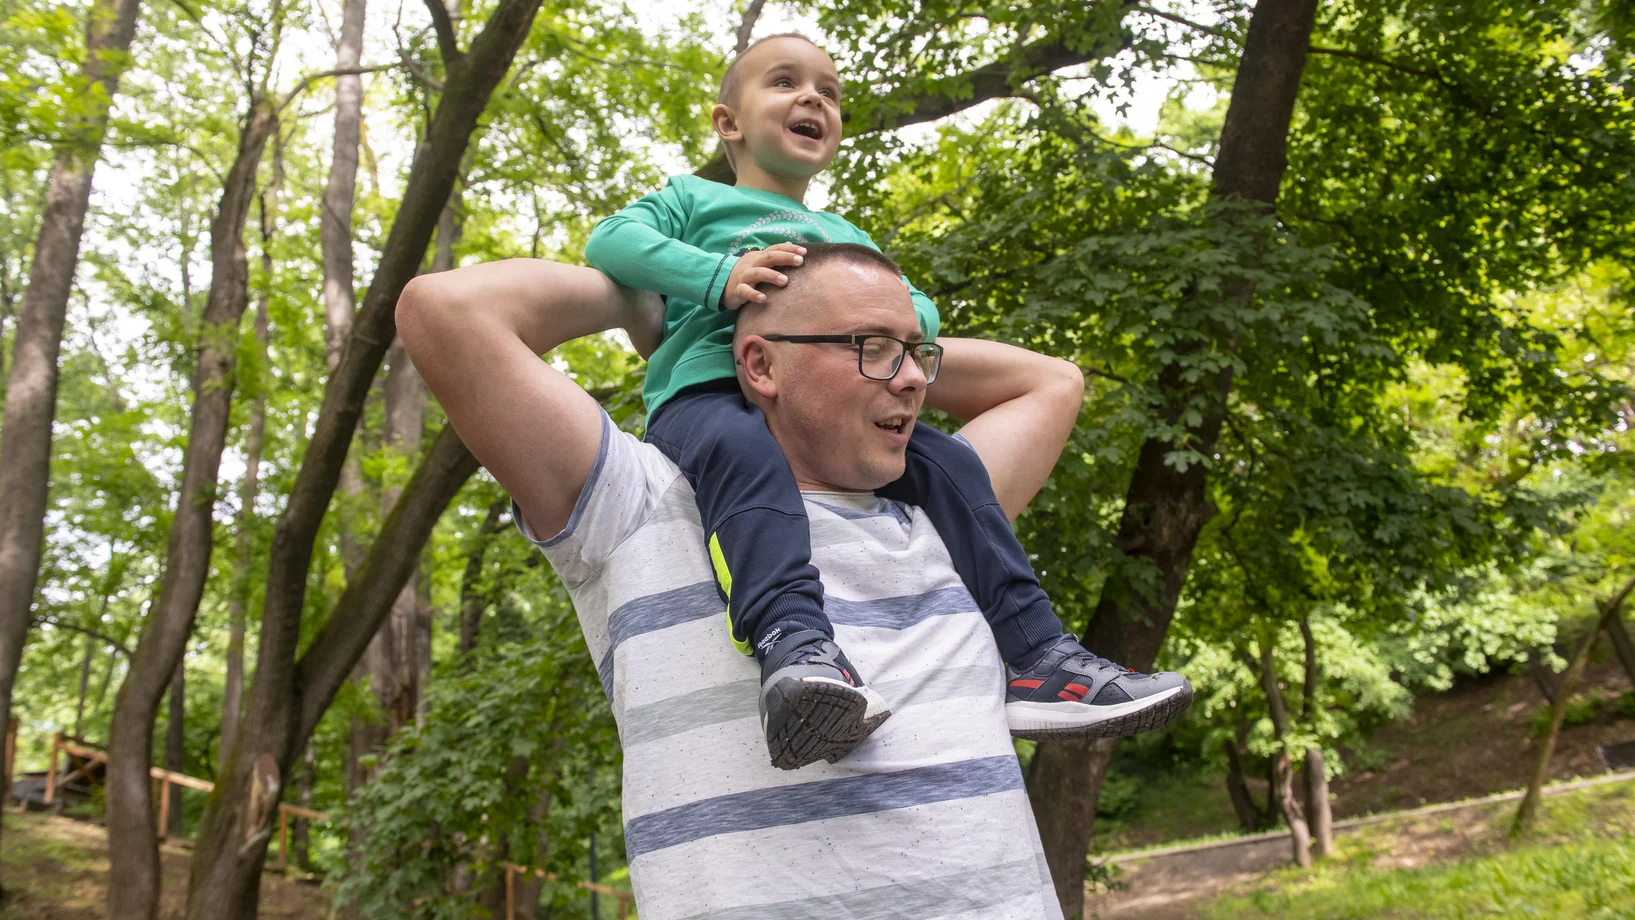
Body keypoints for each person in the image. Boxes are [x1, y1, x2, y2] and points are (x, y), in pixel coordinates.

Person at [400, 244, 1103, 917]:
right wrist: (666, 305)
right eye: (871, 345)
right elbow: (447, 311)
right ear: (759, 366)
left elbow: (1051, 381)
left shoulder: (944, 517)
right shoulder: (639, 506)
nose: (917, 379)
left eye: (918, 352)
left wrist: (876, 356)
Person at [566, 33, 1192, 769]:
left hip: (838, 408)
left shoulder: (844, 235)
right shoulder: (692, 199)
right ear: (727, 123)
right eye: (785, 83)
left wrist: (875, 326)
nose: (812, 99)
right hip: (711, 395)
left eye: (828, 93)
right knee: (746, 460)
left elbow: (916, 308)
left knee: (952, 468)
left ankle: (1036, 655)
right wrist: (715, 277)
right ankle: (795, 651)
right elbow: (611, 240)